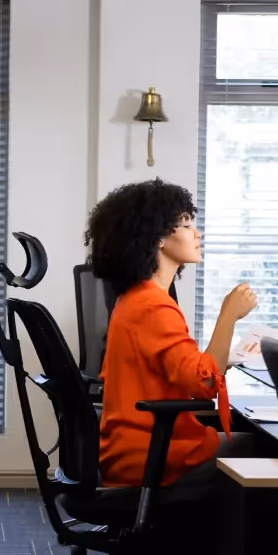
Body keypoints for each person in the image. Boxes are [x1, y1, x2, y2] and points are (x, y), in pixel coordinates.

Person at [88, 179, 261, 489]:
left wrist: (221, 356)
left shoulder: (134, 298)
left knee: (249, 443)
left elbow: (183, 370)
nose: (197, 233)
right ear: (159, 239)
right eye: (186, 225)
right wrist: (229, 315)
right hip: (152, 454)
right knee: (268, 450)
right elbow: (205, 383)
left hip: (135, 448)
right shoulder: (153, 306)